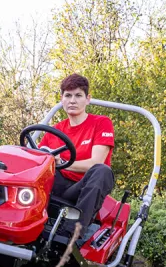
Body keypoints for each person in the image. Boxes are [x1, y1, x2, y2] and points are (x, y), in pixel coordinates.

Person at [38, 73, 115, 240]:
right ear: (62, 99)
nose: (72, 100)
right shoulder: (54, 131)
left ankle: (71, 233)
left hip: (81, 187)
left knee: (102, 171)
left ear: (87, 99)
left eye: (78, 95)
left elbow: (96, 162)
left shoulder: (101, 123)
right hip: (56, 184)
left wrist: (61, 162)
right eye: (68, 95)